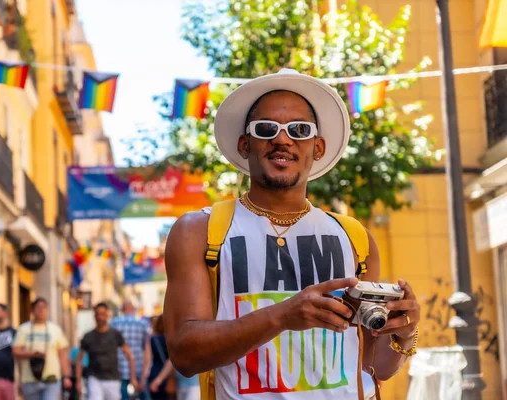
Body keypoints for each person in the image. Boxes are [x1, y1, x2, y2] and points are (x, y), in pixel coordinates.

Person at [163, 69, 422, 399]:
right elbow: (185, 354)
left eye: (299, 130)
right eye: (266, 129)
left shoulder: (355, 238)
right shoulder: (199, 232)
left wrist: (405, 330)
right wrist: (281, 316)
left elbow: (374, 365)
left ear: (317, 147)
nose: (282, 139)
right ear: (245, 144)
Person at [12, 297, 72, 399]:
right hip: (29, 379)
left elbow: (62, 355)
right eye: (38, 307)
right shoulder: (23, 329)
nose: (41, 310)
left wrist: (66, 376)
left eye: (44, 307)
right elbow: (15, 352)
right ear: (32, 310)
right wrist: (32, 354)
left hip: (51, 378)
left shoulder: (55, 329)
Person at [76, 302, 138, 400]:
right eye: (98, 314)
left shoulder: (115, 334)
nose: (100, 317)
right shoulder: (88, 336)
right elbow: (79, 360)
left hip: (113, 379)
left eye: (103, 314)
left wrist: (133, 377)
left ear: (107, 315)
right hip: (94, 378)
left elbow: (129, 356)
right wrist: (78, 381)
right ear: (94, 316)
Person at [111, 299, 152, 400]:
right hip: (139, 367)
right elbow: (147, 350)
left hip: (119, 367)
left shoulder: (113, 323)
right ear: (133, 309)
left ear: (122, 309)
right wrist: (145, 372)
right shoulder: (143, 324)